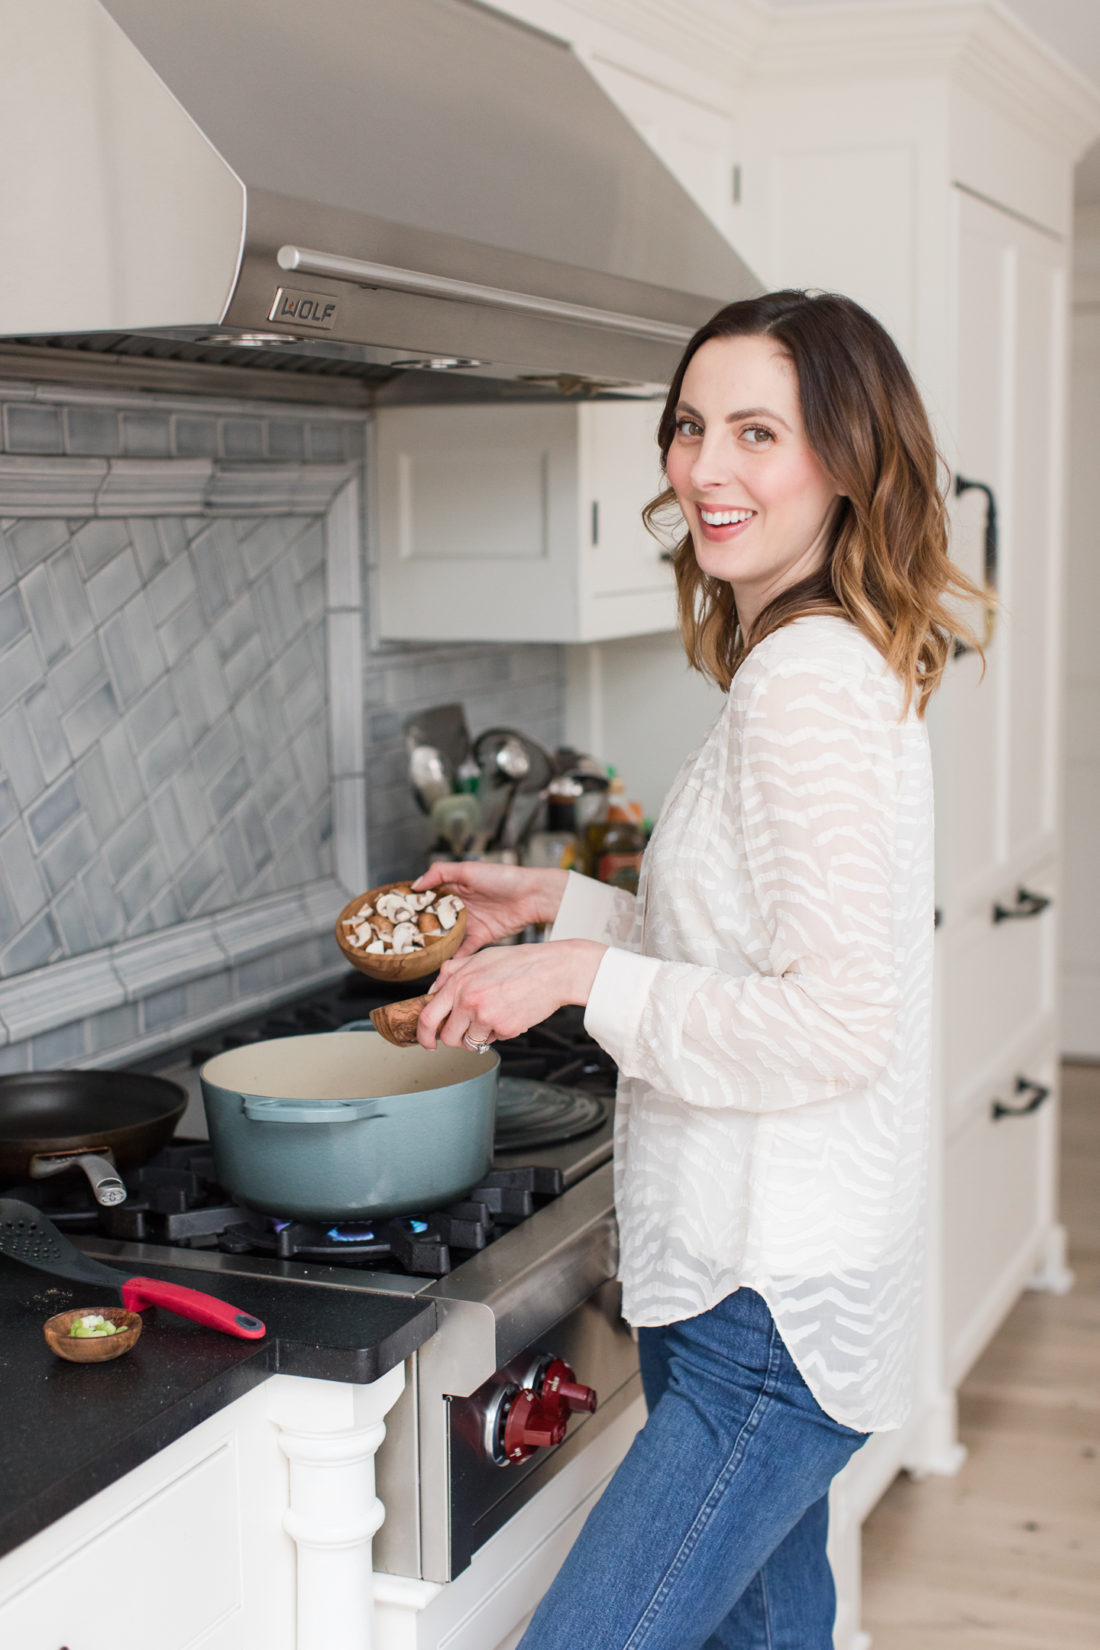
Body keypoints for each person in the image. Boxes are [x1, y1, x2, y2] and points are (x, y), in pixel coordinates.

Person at [412, 290, 985, 1650]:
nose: (704, 468)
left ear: (844, 459)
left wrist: (568, 982)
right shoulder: (807, 657)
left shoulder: (805, 685)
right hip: (761, 1295)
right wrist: (567, 907)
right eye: (687, 427)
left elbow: (839, 1017)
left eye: (755, 432)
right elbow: (750, 944)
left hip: (761, 1315)